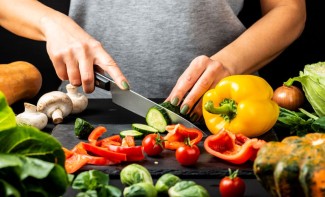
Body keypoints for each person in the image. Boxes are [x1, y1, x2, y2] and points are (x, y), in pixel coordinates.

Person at [0, 0, 306, 122]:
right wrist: (50, 23)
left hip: (217, 115)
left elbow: (289, 10)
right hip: (81, 112)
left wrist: (229, 63)